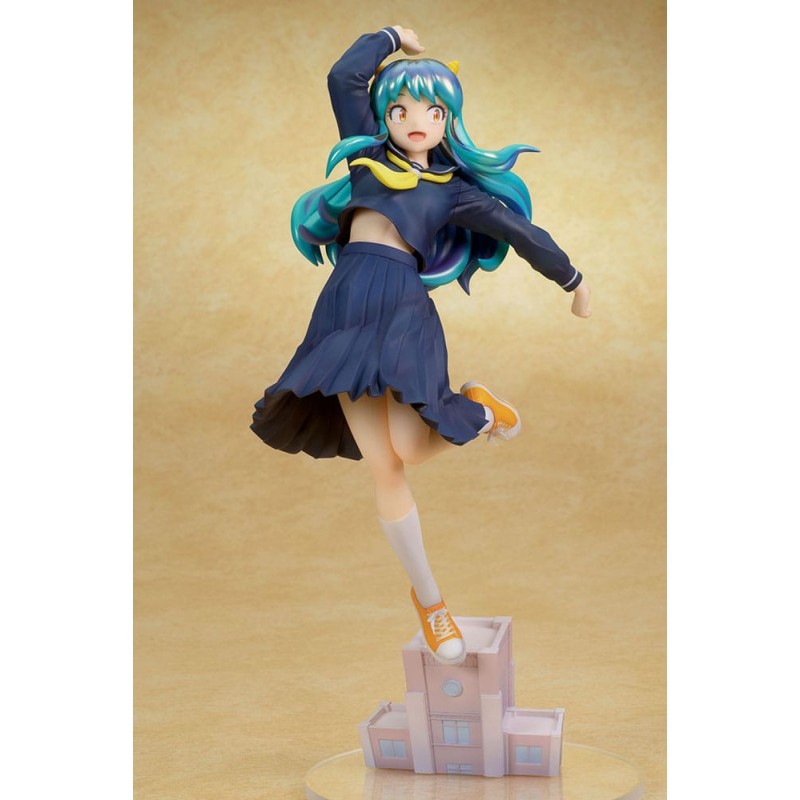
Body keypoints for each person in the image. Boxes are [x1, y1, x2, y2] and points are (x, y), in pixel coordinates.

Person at [252, 25, 591, 666]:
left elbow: (520, 231)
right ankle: (432, 606)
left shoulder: (455, 190)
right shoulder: (364, 155)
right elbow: (343, 76)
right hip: (344, 309)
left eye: (432, 111)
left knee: (410, 446)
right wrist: (392, 36)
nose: (415, 121)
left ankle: (478, 409)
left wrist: (572, 279)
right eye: (401, 109)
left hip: (404, 311)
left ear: (448, 121)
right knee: (385, 466)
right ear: (384, 115)